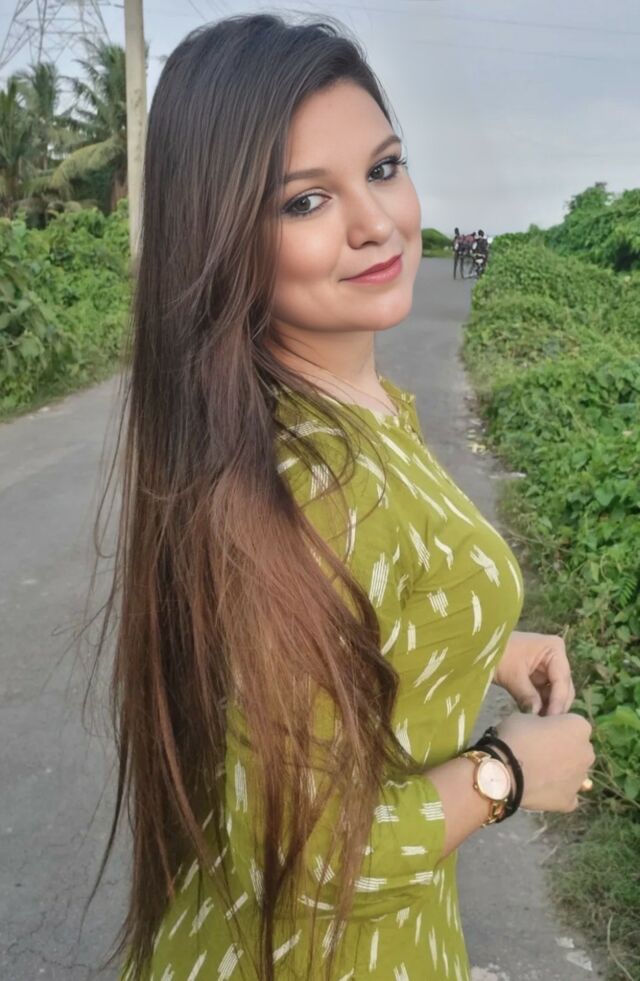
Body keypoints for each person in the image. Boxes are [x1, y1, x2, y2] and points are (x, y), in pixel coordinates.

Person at [91, 13, 595, 981]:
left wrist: (477, 642)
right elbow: (313, 860)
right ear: (221, 236)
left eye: (383, 167)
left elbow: (350, 616)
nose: (376, 222)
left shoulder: (353, 407)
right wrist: (507, 772)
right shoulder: (320, 478)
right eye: (305, 200)